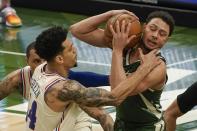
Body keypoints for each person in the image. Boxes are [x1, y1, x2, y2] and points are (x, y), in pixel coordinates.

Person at [26, 26, 160, 131]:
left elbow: (99, 113)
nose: (75, 51)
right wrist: (143, 68)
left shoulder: (40, 69)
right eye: (71, 50)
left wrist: (112, 13)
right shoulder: (63, 89)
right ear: (60, 59)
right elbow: (114, 98)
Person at [69, 9, 175, 130]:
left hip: (147, 127)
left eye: (162, 34)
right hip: (121, 124)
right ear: (144, 27)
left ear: (166, 40)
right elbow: (77, 30)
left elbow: (117, 94)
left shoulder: (158, 66)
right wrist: (110, 14)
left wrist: (117, 49)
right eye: (152, 28)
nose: (155, 35)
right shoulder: (127, 44)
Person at [0, 42, 112, 131]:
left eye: (45, 60)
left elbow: (102, 114)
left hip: (75, 123)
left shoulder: (64, 85)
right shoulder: (17, 79)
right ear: (27, 61)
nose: (42, 65)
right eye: (36, 61)